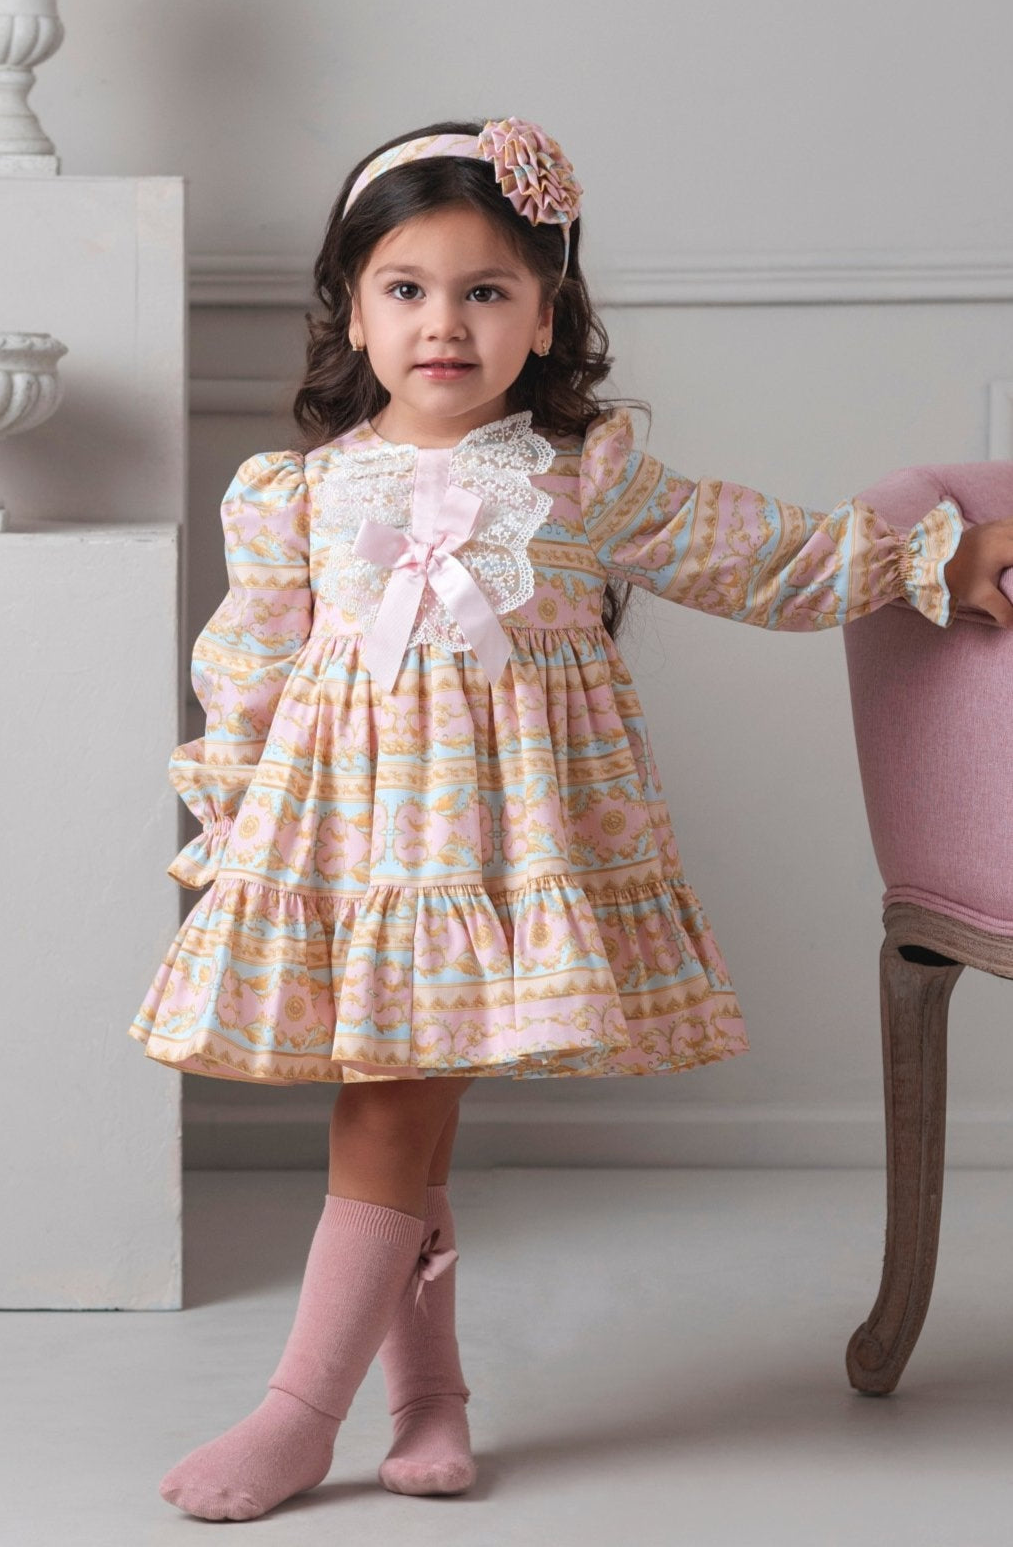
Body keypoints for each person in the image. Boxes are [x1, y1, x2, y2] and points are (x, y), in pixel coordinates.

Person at [130, 118, 1013, 1522]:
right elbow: (243, 668)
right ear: (351, 310)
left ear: (545, 317)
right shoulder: (290, 495)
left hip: (507, 854)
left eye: (486, 291)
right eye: (406, 288)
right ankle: (416, 1398)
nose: (444, 322)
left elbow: (756, 550)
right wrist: (236, 830)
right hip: (357, 856)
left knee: (398, 1105)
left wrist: (926, 558)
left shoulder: (580, 476)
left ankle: (310, 1410)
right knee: (396, 1103)